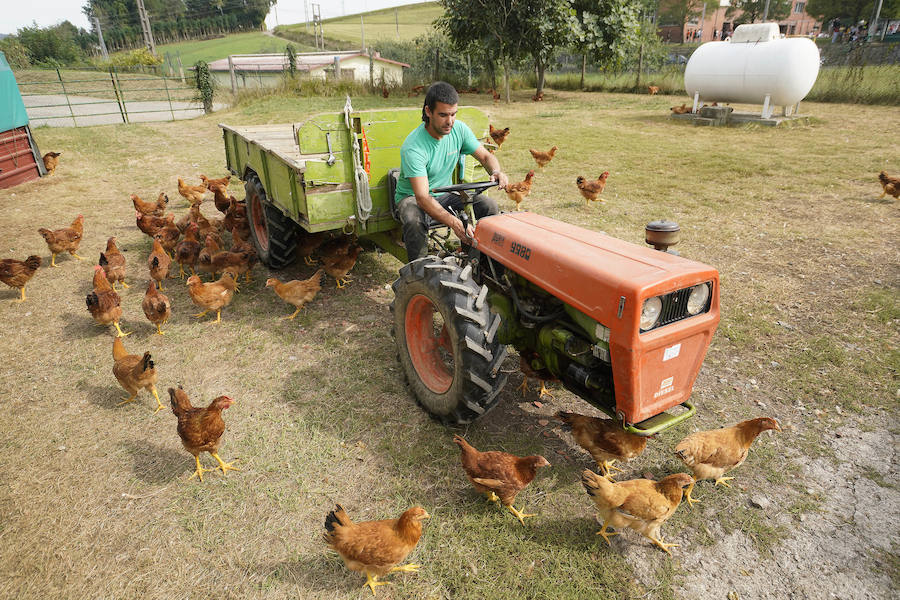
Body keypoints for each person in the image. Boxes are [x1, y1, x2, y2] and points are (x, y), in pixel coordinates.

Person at [394, 81, 508, 262]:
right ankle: (418, 270)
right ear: (428, 111)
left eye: (453, 114)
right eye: (443, 115)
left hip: (444, 194)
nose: (450, 121)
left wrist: (496, 171)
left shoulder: (459, 130)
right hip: (414, 198)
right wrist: (455, 223)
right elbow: (422, 198)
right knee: (413, 219)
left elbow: (486, 157)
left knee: (488, 206)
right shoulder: (414, 147)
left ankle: (479, 262)